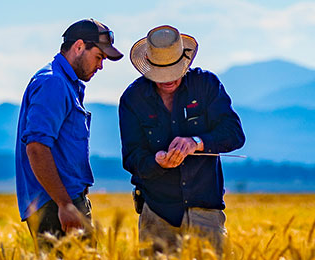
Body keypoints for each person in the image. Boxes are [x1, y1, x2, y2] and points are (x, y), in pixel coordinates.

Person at [119, 25, 245, 257]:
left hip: (205, 210)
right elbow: (131, 157)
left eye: (174, 71)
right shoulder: (132, 99)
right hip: (157, 214)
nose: (168, 79)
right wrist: (157, 162)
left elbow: (234, 133)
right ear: (148, 65)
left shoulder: (206, 85)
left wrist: (197, 142)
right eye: (160, 73)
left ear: (185, 62)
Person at [15, 18, 123, 249]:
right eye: (99, 57)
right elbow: (36, 147)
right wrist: (65, 204)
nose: (101, 66)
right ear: (79, 47)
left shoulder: (66, 83)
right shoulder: (53, 83)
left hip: (64, 202)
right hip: (55, 206)